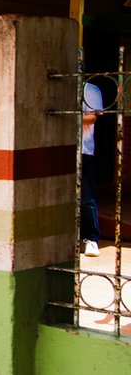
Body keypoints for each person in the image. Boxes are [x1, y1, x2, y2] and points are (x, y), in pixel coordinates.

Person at [82, 81, 103, 257]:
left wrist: (68, 117)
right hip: (59, 146)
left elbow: (92, 117)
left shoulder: (90, 89)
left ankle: (91, 239)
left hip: (83, 149)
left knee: (86, 196)